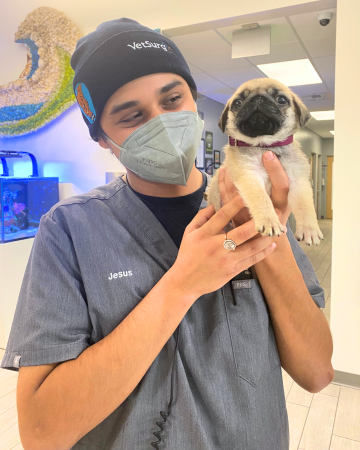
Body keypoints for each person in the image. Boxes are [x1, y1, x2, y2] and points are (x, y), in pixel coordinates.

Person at [0, 18, 333, 450]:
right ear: (102, 137)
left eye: (173, 99)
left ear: (194, 101)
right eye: (132, 115)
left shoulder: (255, 204)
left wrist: (268, 241)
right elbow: (42, 433)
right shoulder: (69, 229)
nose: (161, 121)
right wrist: (181, 284)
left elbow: (317, 372)